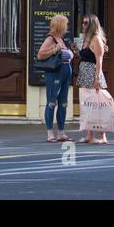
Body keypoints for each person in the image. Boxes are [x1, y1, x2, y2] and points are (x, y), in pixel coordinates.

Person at [36, 13, 74, 142]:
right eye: (66, 24)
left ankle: (61, 133)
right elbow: (40, 55)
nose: (67, 26)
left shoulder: (61, 38)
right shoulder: (51, 38)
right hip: (55, 73)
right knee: (52, 102)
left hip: (65, 73)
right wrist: (54, 49)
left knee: (63, 103)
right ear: (60, 25)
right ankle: (50, 133)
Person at [77, 13, 109, 145]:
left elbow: (99, 60)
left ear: (92, 25)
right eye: (83, 23)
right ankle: (89, 134)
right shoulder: (86, 39)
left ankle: (102, 135)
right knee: (88, 105)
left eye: (86, 23)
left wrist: (97, 79)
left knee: (98, 105)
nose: (83, 25)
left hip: (93, 73)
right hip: (85, 74)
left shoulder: (96, 38)